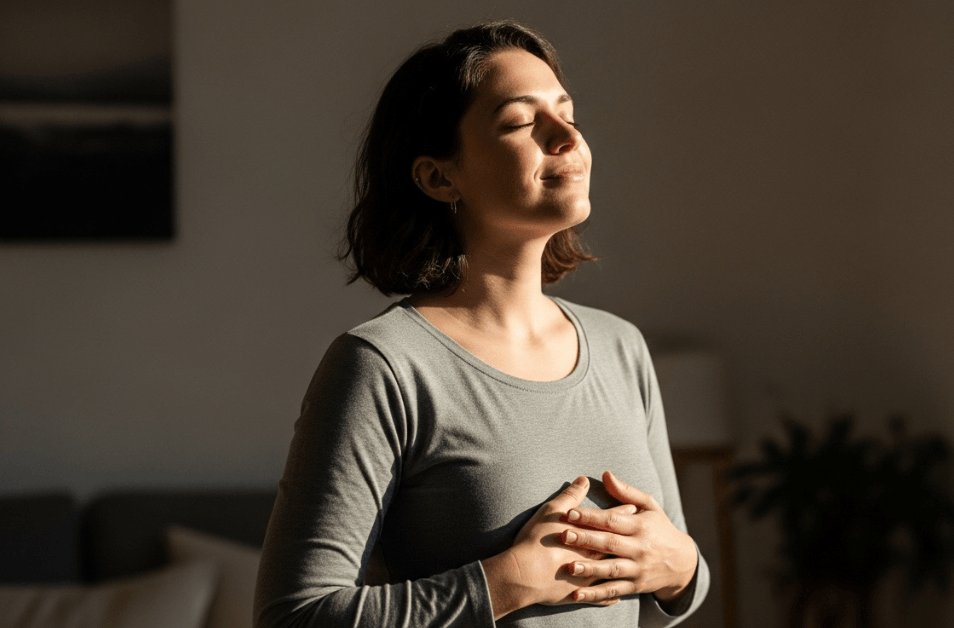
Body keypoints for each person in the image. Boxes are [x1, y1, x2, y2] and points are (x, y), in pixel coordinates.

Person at [254, 20, 709, 628]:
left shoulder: (620, 346)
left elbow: (668, 584)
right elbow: (293, 615)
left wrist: (684, 570)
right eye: (523, 121)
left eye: (567, 113)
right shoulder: (382, 366)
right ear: (440, 177)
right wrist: (503, 583)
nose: (566, 136)